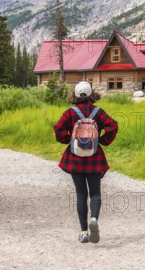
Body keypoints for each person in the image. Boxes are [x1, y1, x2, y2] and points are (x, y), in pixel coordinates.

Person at [54, 81, 118, 243]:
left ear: (75, 95)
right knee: (95, 193)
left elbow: (58, 129)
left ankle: (83, 233)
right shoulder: (98, 112)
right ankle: (94, 220)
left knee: (81, 195)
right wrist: (102, 140)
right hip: (94, 158)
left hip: (75, 158)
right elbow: (113, 126)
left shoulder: (70, 113)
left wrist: (68, 140)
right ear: (91, 94)